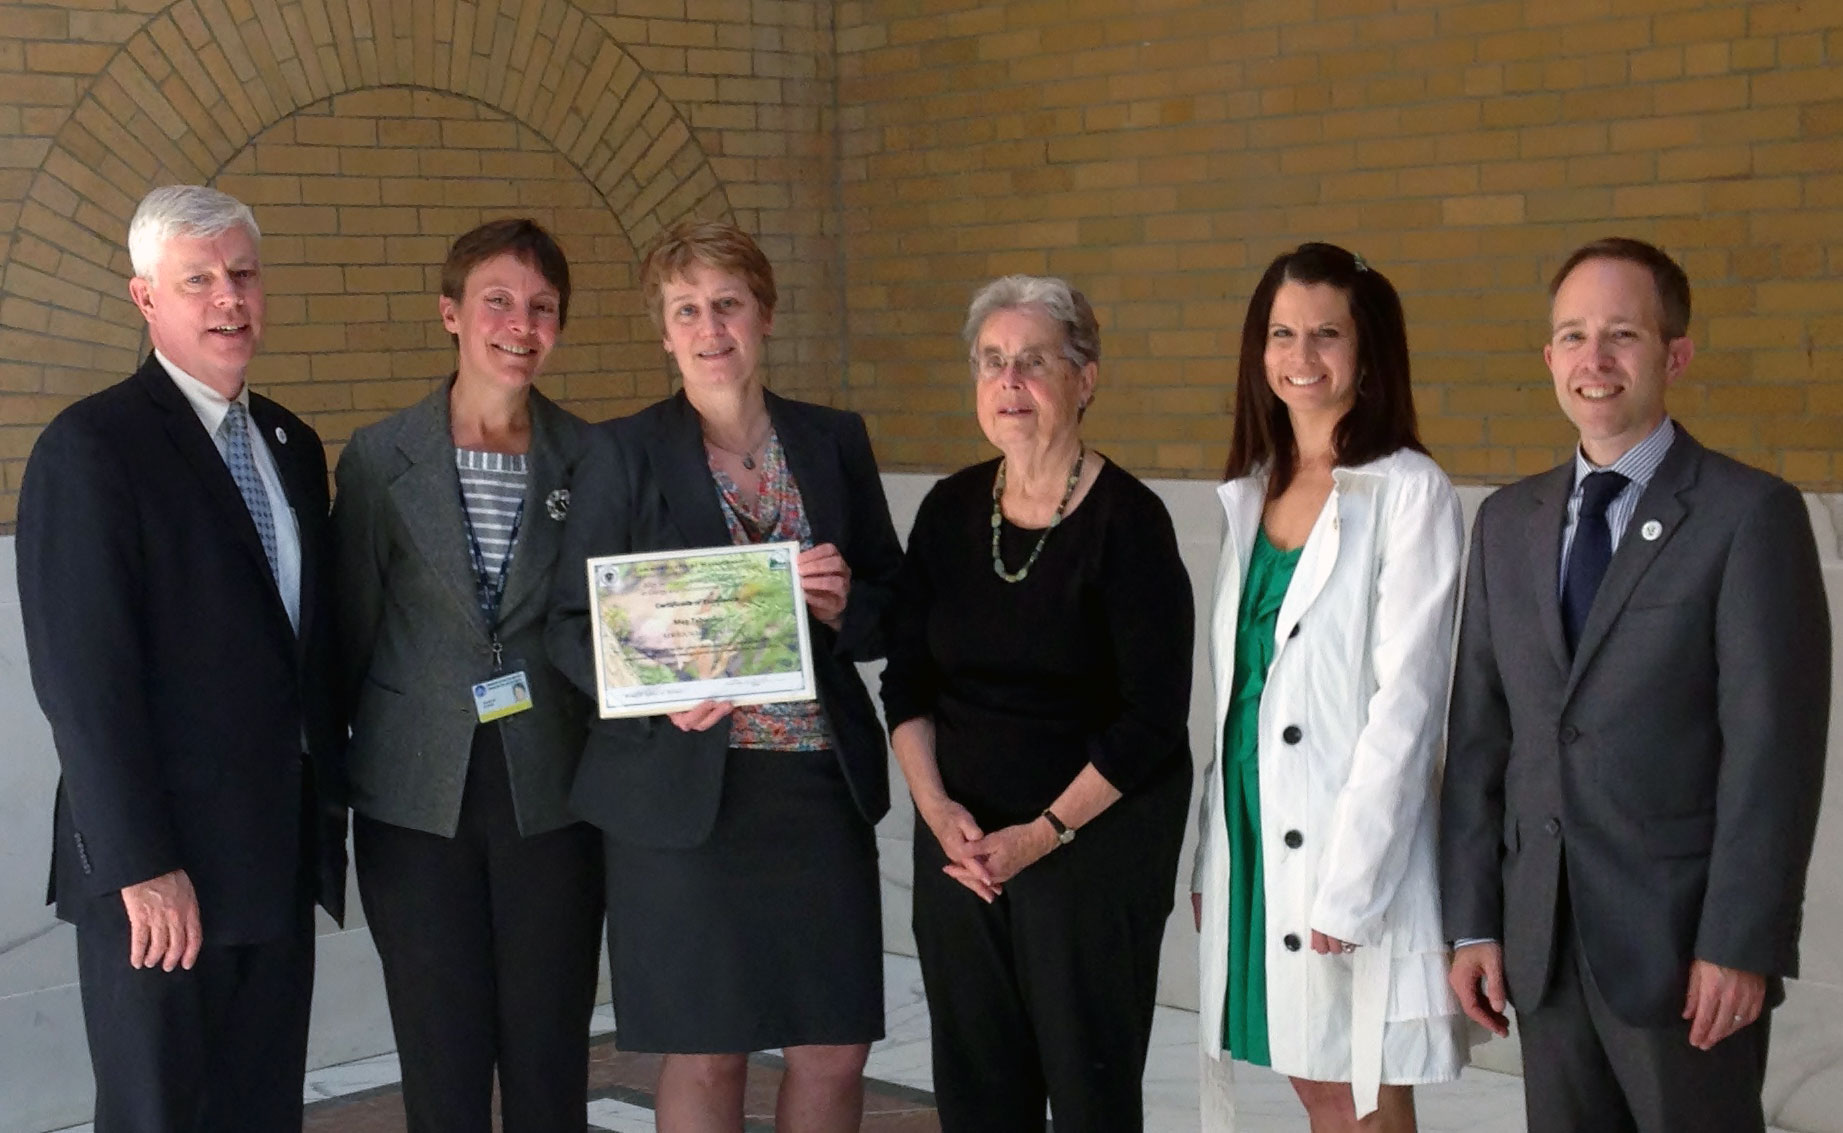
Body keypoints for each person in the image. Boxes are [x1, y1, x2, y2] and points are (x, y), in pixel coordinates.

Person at [1441, 237, 1832, 1133]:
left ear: (1674, 354)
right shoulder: (1506, 522)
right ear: (1547, 358)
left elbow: (1771, 754)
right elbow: (1478, 737)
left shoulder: (1749, 516)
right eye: (1572, 336)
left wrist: (1739, 941)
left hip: (1682, 955)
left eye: (1621, 334)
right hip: (1539, 944)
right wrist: (1474, 924)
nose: (1594, 360)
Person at [546, 218, 903, 1132]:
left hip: (815, 787)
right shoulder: (618, 452)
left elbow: (891, 610)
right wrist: (661, 691)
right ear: (664, 331)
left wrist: (843, 602)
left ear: (765, 315)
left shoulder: (833, 440)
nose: (712, 329)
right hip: (682, 793)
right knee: (707, 1045)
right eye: (687, 310)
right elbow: (569, 625)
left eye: (728, 306)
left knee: (834, 1042)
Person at [16, 184, 346, 1131]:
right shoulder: (92, 448)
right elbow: (82, 683)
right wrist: (142, 862)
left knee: (260, 1108)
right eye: (197, 279)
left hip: (272, 860)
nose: (228, 298)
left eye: (242, 274)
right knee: (163, 1114)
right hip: (162, 881)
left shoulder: (289, 441)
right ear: (145, 298)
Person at [879, 275, 1194, 1132]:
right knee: (978, 1087)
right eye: (991, 363)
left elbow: (1151, 720)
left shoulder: (1130, 522)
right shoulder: (948, 510)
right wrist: (937, 809)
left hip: (1091, 846)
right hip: (962, 842)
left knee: (1089, 1090)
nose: (1007, 382)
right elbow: (905, 681)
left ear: (1083, 380)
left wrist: (1042, 834)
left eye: (1032, 362)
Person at [331, 218, 602, 1132]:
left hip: (554, 795)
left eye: (542, 307)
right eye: (497, 300)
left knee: (549, 1051)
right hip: (415, 800)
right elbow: (352, 630)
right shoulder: (379, 457)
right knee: (439, 1056)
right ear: (451, 312)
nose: (519, 324)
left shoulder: (593, 458)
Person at [1190, 243, 1468, 1132]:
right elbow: (1235, 697)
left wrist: (1351, 886)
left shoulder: (1407, 491)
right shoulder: (1252, 490)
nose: (1299, 356)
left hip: (1345, 844)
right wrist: (1211, 849)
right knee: (1311, 1079)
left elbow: (1409, 704)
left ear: (1366, 350)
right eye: (1280, 333)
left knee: (1360, 1082)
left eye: (1325, 334)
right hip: (1253, 831)